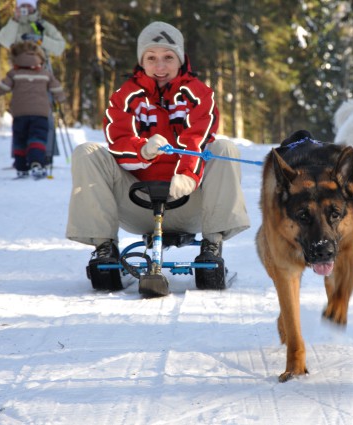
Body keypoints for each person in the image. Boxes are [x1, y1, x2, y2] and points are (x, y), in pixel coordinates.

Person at [66, 21, 250, 291]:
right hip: (137, 201)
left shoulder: (199, 94)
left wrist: (188, 173)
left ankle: (212, 245)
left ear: (181, 59)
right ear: (142, 61)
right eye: (152, 58)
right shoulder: (125, 96)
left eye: (168, 58)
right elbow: (117, 138)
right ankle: (104, 247)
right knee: (87, 153)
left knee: (224, 149)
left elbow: (197, 137)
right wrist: (142, 149)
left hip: (190, 200)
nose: (160, 67)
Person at [0, 41, 66, 179]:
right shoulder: (45, 74)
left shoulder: (14, 74)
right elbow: (57, 89)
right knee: (37, 137)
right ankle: (37, 162)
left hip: (20, 113)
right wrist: (60, 99)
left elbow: (1, 88)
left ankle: (21, 168)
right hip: (41, 113)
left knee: (20, 139)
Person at [0, 0, 65, 59]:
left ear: (34, 7)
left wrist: (41, 40)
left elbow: (59, 47)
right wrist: (15, 20)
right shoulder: (14, 24)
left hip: (41, 69)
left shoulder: (42, 25)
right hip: (18, 68)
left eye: (29, 6)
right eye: (23, 6)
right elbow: (5, 42)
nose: (26, 8)